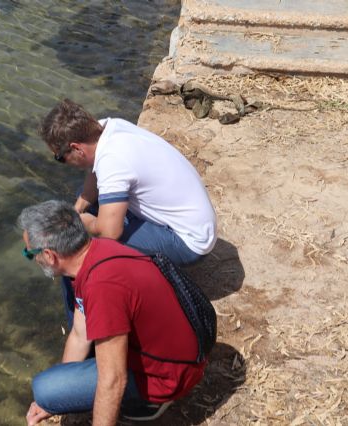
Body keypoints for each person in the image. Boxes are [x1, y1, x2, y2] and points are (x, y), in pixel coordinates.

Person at [17, 200, 206, 426]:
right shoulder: (96, 252)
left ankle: (148, 402)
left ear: (49, 255)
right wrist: (63, 391)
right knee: (52, 391)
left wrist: (55, 394)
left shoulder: (101, 287)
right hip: (182, 352)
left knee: (44, 389)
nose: (32, 260)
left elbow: (113, 379)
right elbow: (79, 334)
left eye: (30, 254)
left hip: (170, 376)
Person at [39, 99, 217, 327]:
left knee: (77, 247)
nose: (62, 162)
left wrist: (82, 223)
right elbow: (94, 179)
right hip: (194, 221)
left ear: (76, 148)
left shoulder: (113, 161)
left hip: (190, 242)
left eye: (59, 158)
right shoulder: (108, 129)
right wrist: (76, 210)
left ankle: (83, 325)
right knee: (86, 204)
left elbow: (110, 232)